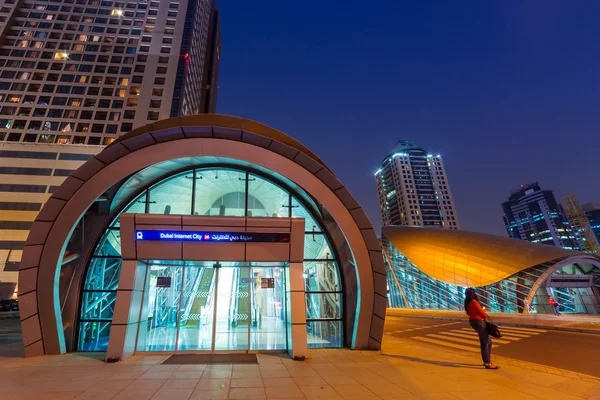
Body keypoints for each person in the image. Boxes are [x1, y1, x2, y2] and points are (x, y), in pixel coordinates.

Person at [464, 288, 498, 369]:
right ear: (474, 294)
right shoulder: (474, 302)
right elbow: (483, 314)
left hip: (473, 321)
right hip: (479, 321)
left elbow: (469, 312)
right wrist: (484, 311)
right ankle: (487, 363)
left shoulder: (467, 302)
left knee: (488, 341)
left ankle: (488, 360)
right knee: (485, 342)